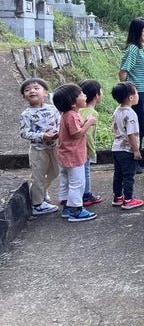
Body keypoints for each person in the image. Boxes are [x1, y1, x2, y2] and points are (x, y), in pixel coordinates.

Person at [52, 83, 98, 222]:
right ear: (73, 103)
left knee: (66, 182)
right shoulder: (72, 115)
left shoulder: (66, 115)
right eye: (81, 95)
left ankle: (67, 207)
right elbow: (77, 134)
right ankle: (76, 210)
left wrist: (84, 122)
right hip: (74, 156)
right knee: (77, 183)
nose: (85, 96)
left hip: (65, 156)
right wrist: (89, 123)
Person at [118, 17, 144, 170]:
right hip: (136, 94)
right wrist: (126, 91)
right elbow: (123, 71)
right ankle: (132, 159)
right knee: (135, 126)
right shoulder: (133, 49)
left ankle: (138, 156)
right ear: (137, 32)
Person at [19, 78, 60, 216]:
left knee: (56, 172)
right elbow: (24, 133)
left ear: (45, 92)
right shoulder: (26, 114)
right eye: (27, 90)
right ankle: (37, 204)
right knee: (38, 176)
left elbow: (59, 123)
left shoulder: (52, 108)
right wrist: (42, 136)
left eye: (36, 88)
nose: (32, 91)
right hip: (38, 150)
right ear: (24, 96)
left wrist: (58, 133)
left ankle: (41, 191)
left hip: (54, 147)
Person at [110, 82, 144, 210]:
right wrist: (136, 150)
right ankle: (128, 199)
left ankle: (118, 197)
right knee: (128, 175)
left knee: (118, 175)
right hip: (127, 150)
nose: (138, 95)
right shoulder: (131, 113)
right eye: (136, 93)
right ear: (131, 97)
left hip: (116, 148)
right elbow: (131, 134)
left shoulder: (117, 110)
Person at [78, 79, 103, 207]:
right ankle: (86, 195)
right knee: (86, 171)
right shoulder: (92, 113)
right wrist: (91, 149)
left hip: (75, 148)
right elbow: (88, 134)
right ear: (97, 95)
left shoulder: (78, 110)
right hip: (85, 148)